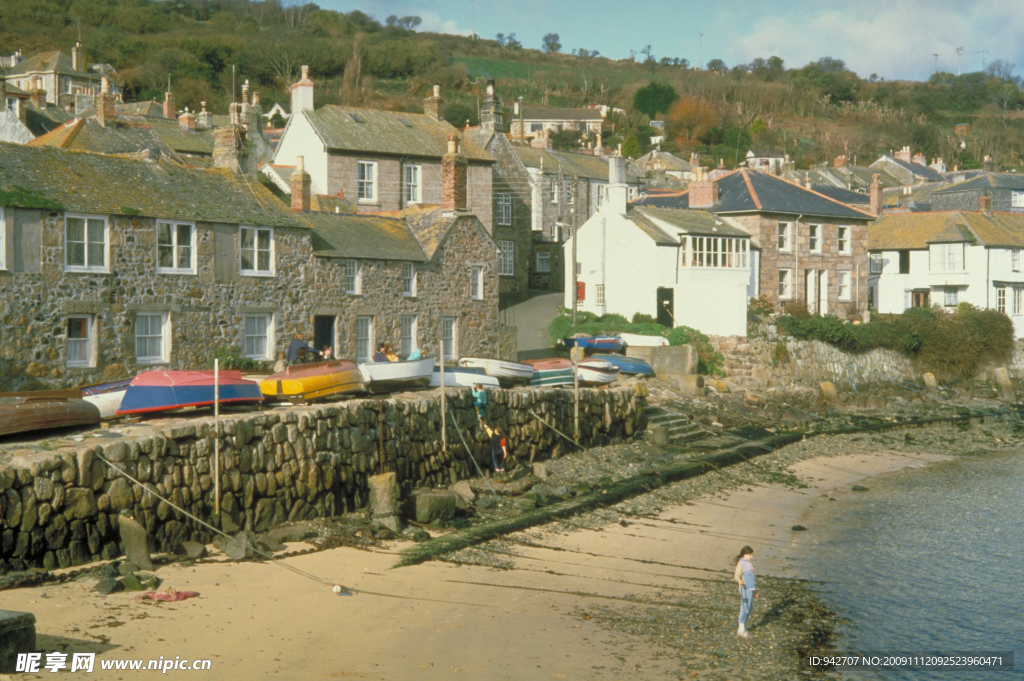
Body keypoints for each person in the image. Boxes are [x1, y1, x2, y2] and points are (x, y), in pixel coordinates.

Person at [733, 546, 757, 638]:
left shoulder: (749, 563)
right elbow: (736, 575)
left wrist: (755, 590)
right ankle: (741, 629)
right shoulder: (741, 564)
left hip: (750, 588)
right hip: (744, 589)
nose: (752, 557)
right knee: (745, 608)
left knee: (749, 608)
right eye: (750, 555)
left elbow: (752, 578)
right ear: (745, 554)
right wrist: (739, 580)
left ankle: (743, 628)